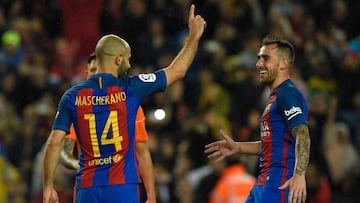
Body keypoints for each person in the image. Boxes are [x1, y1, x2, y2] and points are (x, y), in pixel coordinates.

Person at [42, 4, 206, 203]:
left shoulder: (71, 96)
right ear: (118, 59)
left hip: (87, 188)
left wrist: (48, 186)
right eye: (128, 59)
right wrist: (193, 38)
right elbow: (177, 71)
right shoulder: (131, 89)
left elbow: (53, 143)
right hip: (122, 187)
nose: (129, 64)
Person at [205, 35, 311, 203]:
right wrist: (239, 147)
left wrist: (299, 175)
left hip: (280, 182)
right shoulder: (274, 97)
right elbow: (274, 143)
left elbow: (303, 134)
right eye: (259, 58)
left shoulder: (287, 93)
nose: (258, 64)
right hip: (263, 181)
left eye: (266, 58)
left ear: (284, 63)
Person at [59, 53, 156, 202]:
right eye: (93, 70)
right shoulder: (77, 106)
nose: (98, 76)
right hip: (90, 187)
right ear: (86, 74)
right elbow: (64, 153)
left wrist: (151, 194)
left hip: (117, 187)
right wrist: (81, 165)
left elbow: (141, 151)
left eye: (100, 70)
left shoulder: (131, 105)